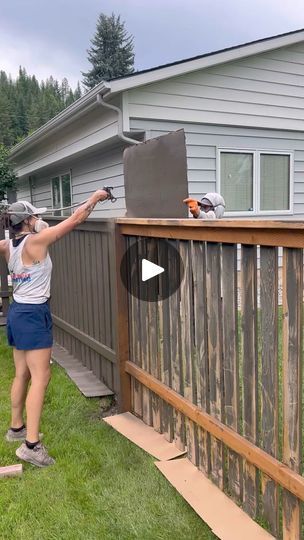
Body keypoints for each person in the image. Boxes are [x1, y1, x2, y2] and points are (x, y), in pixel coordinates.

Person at [0, 189, 109, 467]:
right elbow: (75, 220)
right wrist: (96, 198)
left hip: (17, 312)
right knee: (41, 377)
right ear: (27, 221)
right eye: (34, 216)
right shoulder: (37, 241)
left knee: (22, 373)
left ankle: (16, 428)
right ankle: (31, 445)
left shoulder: (7, 246)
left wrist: (31, 221)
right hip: (34, 314)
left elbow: (32, 229)